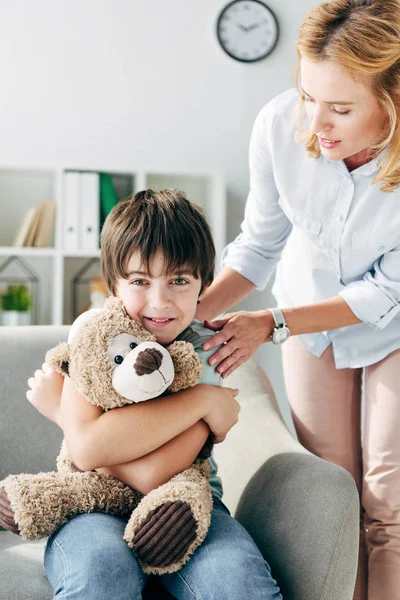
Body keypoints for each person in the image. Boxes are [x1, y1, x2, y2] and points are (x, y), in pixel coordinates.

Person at [194, 1, 400, 599]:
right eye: (309, 97)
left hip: (390, 327)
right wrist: (183, 310)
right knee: (333, 496)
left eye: (340, 108)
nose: (316, 124)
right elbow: (258, 245)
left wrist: (272, 322)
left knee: (387, 501)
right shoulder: (279, 125)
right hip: (307, 326)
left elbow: (386, 289)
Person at [26, 189, 282, 600]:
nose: (159, 302)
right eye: (140, 281)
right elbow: (89, 451)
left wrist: (72, 420)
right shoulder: (96, 333)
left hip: (186, 507)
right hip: (89, 505)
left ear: (204, 283)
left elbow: (153, 475)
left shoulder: (208, 353)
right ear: (114, 284)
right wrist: (202, 402)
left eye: (179, 281)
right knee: (101, 573)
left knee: (238, 586)